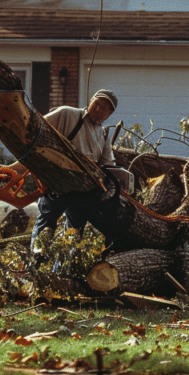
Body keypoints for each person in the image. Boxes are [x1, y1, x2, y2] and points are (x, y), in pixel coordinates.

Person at [29, 89, 119, 256]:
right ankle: (37, 263)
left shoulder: (104, 134)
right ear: (91, 100)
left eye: (104, 108)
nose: (98, 109)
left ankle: (61, 271)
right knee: (46, 228)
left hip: (82, 193)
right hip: (57, 185)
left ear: (110, 113)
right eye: (97, 104)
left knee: (74, 234)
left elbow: (108, 165)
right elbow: (36, 126)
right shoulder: (67, 114)